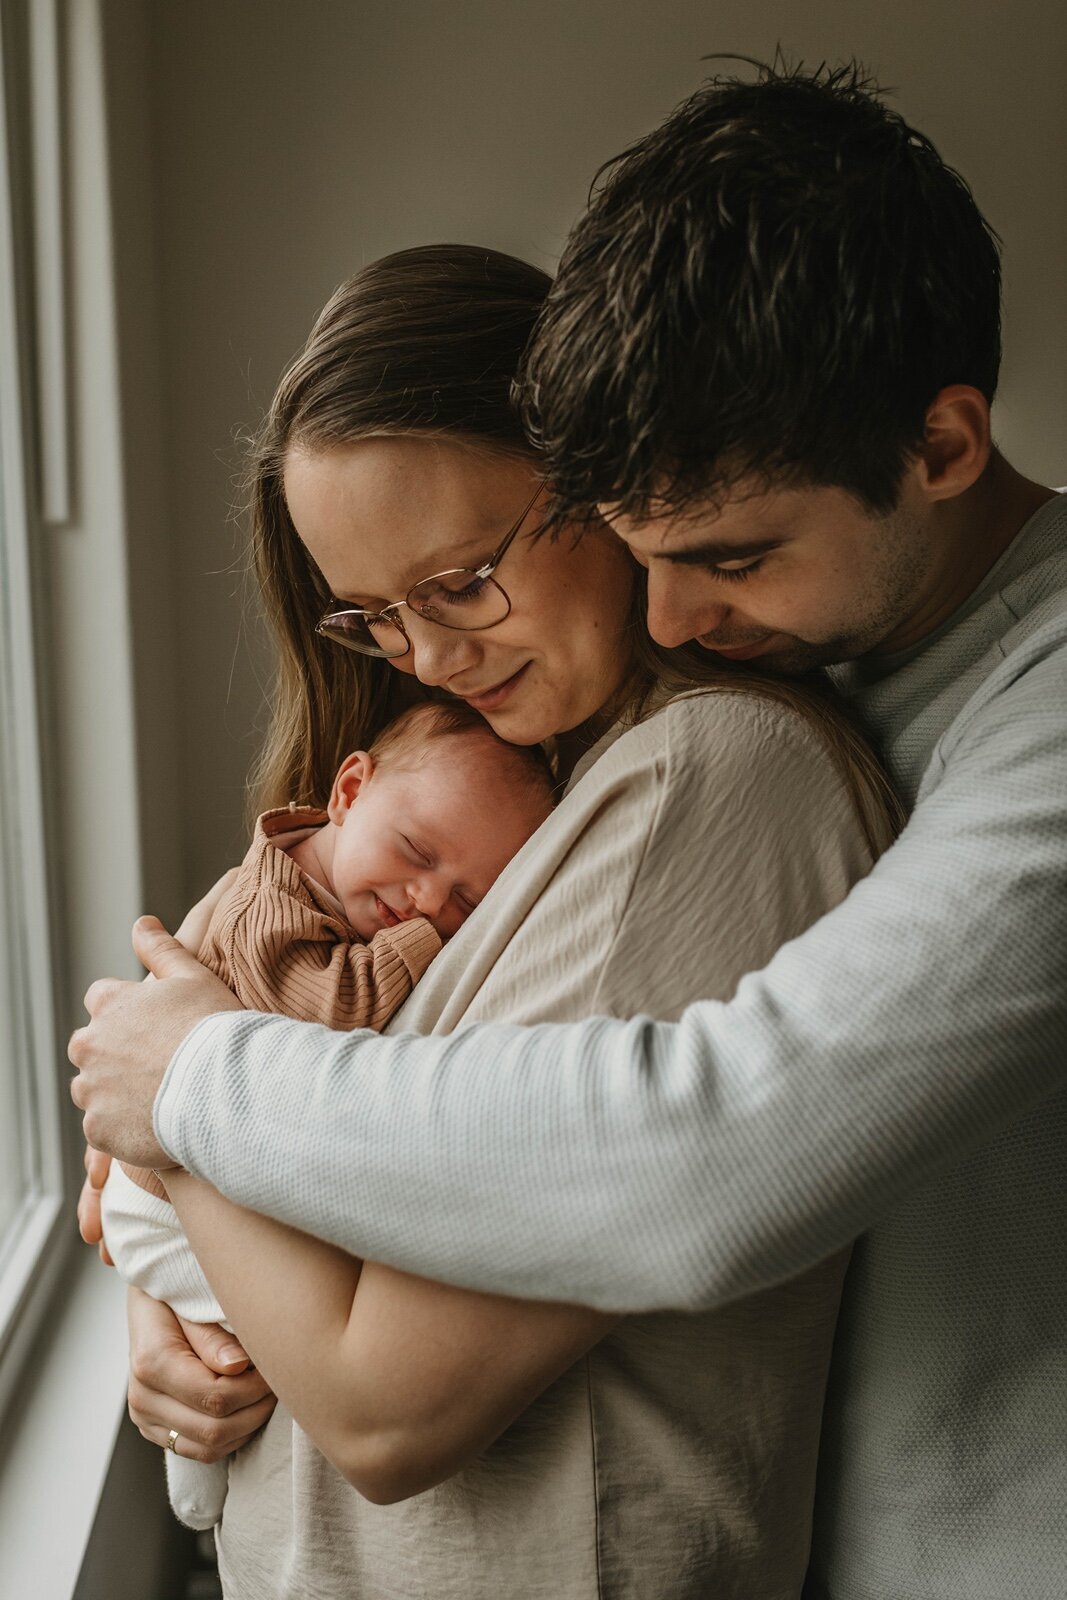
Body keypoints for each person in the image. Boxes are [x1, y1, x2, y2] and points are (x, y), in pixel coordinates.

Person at [70, 60, 1067, 1599]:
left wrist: (196, 1090)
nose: (667, 613)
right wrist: (172, 1270)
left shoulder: (853, 740)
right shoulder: (773, 672)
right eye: (637, 545)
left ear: (938, 447)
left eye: (726, 554)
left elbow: (704, 1147)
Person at [102, 700, 555, 1529]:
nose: (424, 899)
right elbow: (333, 1012)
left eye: (467, 902)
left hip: (177, 1183)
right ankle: (192, 1473)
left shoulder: (320, 878)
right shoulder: (271, 912)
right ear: (348, 790)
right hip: (161, 1211)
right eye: (416, 852)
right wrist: (429, 943)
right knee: (256, 1335)